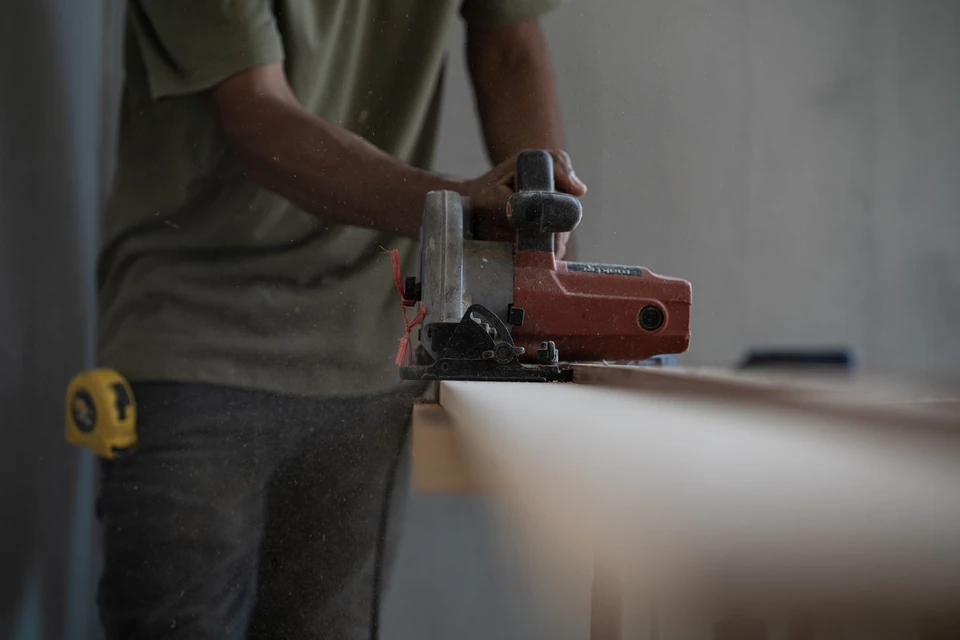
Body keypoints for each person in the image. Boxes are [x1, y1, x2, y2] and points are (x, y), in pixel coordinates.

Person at [95, 1, 587, 638]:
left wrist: (540, 246)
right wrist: (456, 207)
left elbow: (509, 47)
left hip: (365, 349)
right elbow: (258, 119)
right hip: (199, 339)